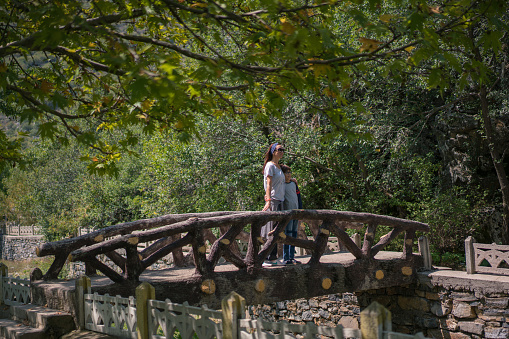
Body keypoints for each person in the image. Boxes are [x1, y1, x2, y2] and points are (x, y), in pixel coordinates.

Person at [261, 142, 286, 266]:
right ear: (273, 152)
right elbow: (269, 184)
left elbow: (282, 181)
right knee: (271, 230)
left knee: (277, 230)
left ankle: (273, 257)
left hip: (280, 200)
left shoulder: (279, 167)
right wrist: (268, 201)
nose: (282, 151)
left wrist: (292, 180)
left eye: (283, 149)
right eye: (279, 149)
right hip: (274, 200)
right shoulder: (270, 166)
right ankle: (265, 258)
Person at [281, 165, 303, 265]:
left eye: (290, 172)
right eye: (286, 172)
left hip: (296, 212)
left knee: (294, 234)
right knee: (287, 234)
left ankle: (292, 256)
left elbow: (298, 197)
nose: (289, 174)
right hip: (287, 213)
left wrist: (301, 209)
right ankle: (286, 258)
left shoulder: (294, 184)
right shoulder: (281, 185)